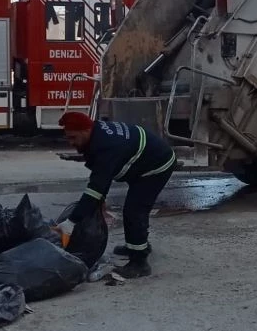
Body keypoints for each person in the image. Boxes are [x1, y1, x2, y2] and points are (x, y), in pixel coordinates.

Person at [55, 112, 176, 278]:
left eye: (73, 137)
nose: (71, 143)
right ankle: (137, 244)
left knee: (134, 210)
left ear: (85, 131)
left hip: (157, 165)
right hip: (142, 161)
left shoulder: (106, 146)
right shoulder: (96, 135)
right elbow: (101, 177)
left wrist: (71, 221)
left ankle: (139, 263)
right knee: (136, 208)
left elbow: (95, 188)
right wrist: (100, 199)